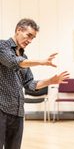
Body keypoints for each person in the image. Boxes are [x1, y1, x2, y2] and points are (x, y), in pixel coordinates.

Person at [0, 18, 69, 149]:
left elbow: (29, 84)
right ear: (19, 30)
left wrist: (51, 81)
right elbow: (14, 62)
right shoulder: (2, 46)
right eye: (29, 35)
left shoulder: (24, 57)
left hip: (17, 113)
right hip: (1, 109)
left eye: (33, 38)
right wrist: (41, 61)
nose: (30, 41)